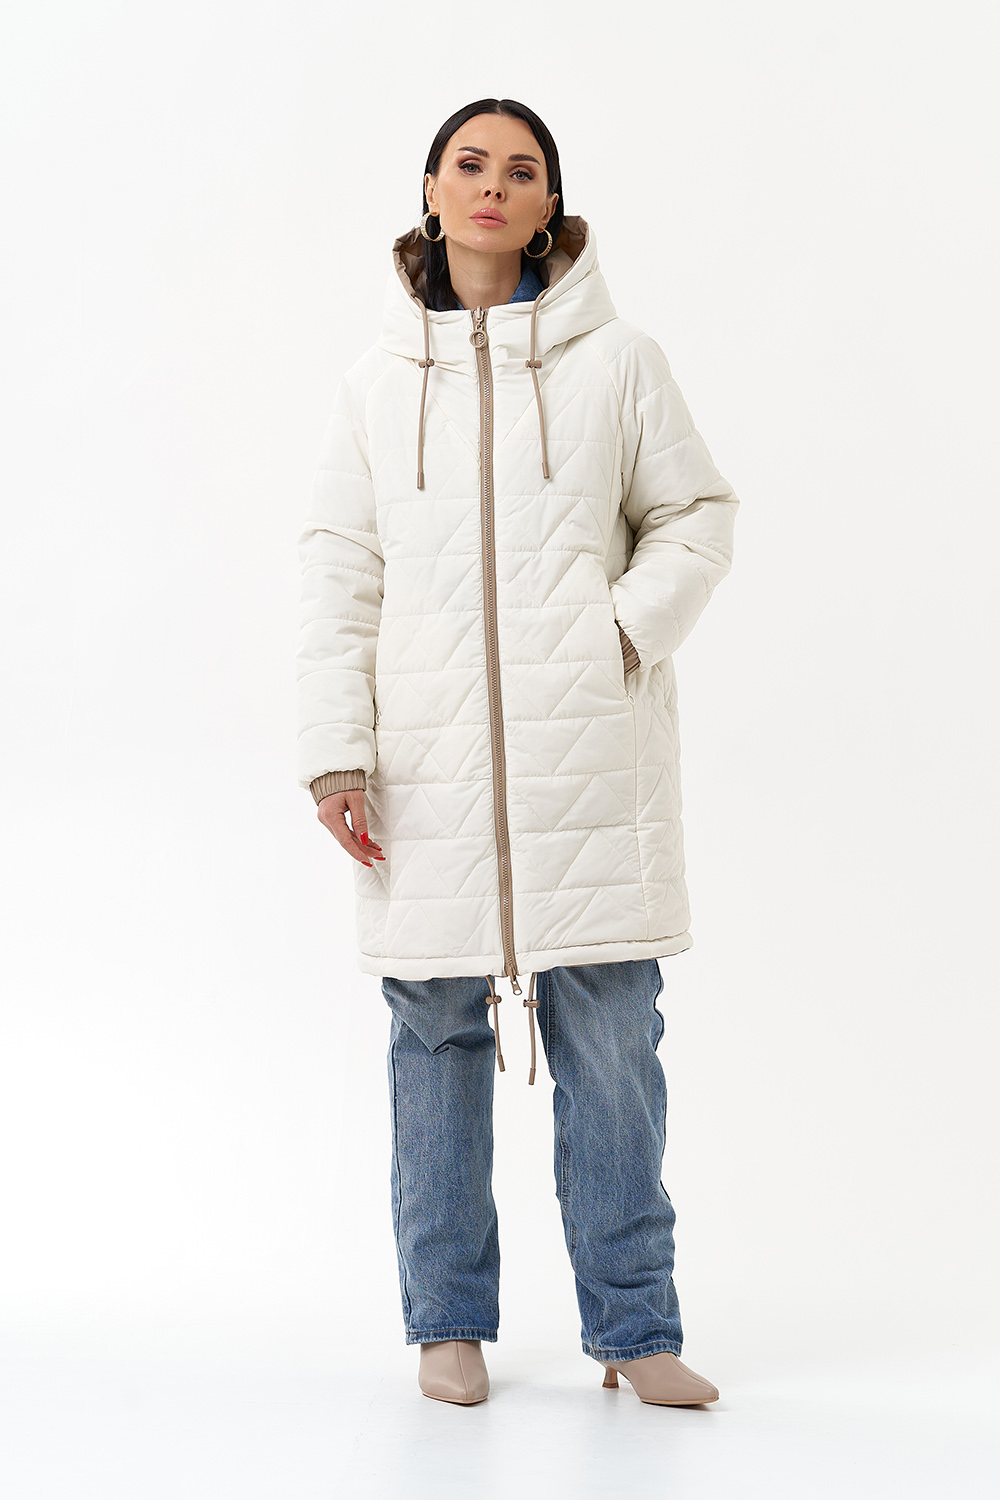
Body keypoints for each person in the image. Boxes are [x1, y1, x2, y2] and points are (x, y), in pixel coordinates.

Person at [296, 97, 739, 1407]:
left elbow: (697, 515)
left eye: (523, 169)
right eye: (471, 163)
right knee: (433, 1040)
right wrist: (337, 755)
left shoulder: (622, 363)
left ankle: (635, 1331)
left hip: (591, 765)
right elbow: (338, 574)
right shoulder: (376, 388)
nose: (494, 185)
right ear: (433, 191)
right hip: (424, 777)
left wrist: (619, 635)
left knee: (613, 1047)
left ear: (551, 206)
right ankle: (447, 1322)